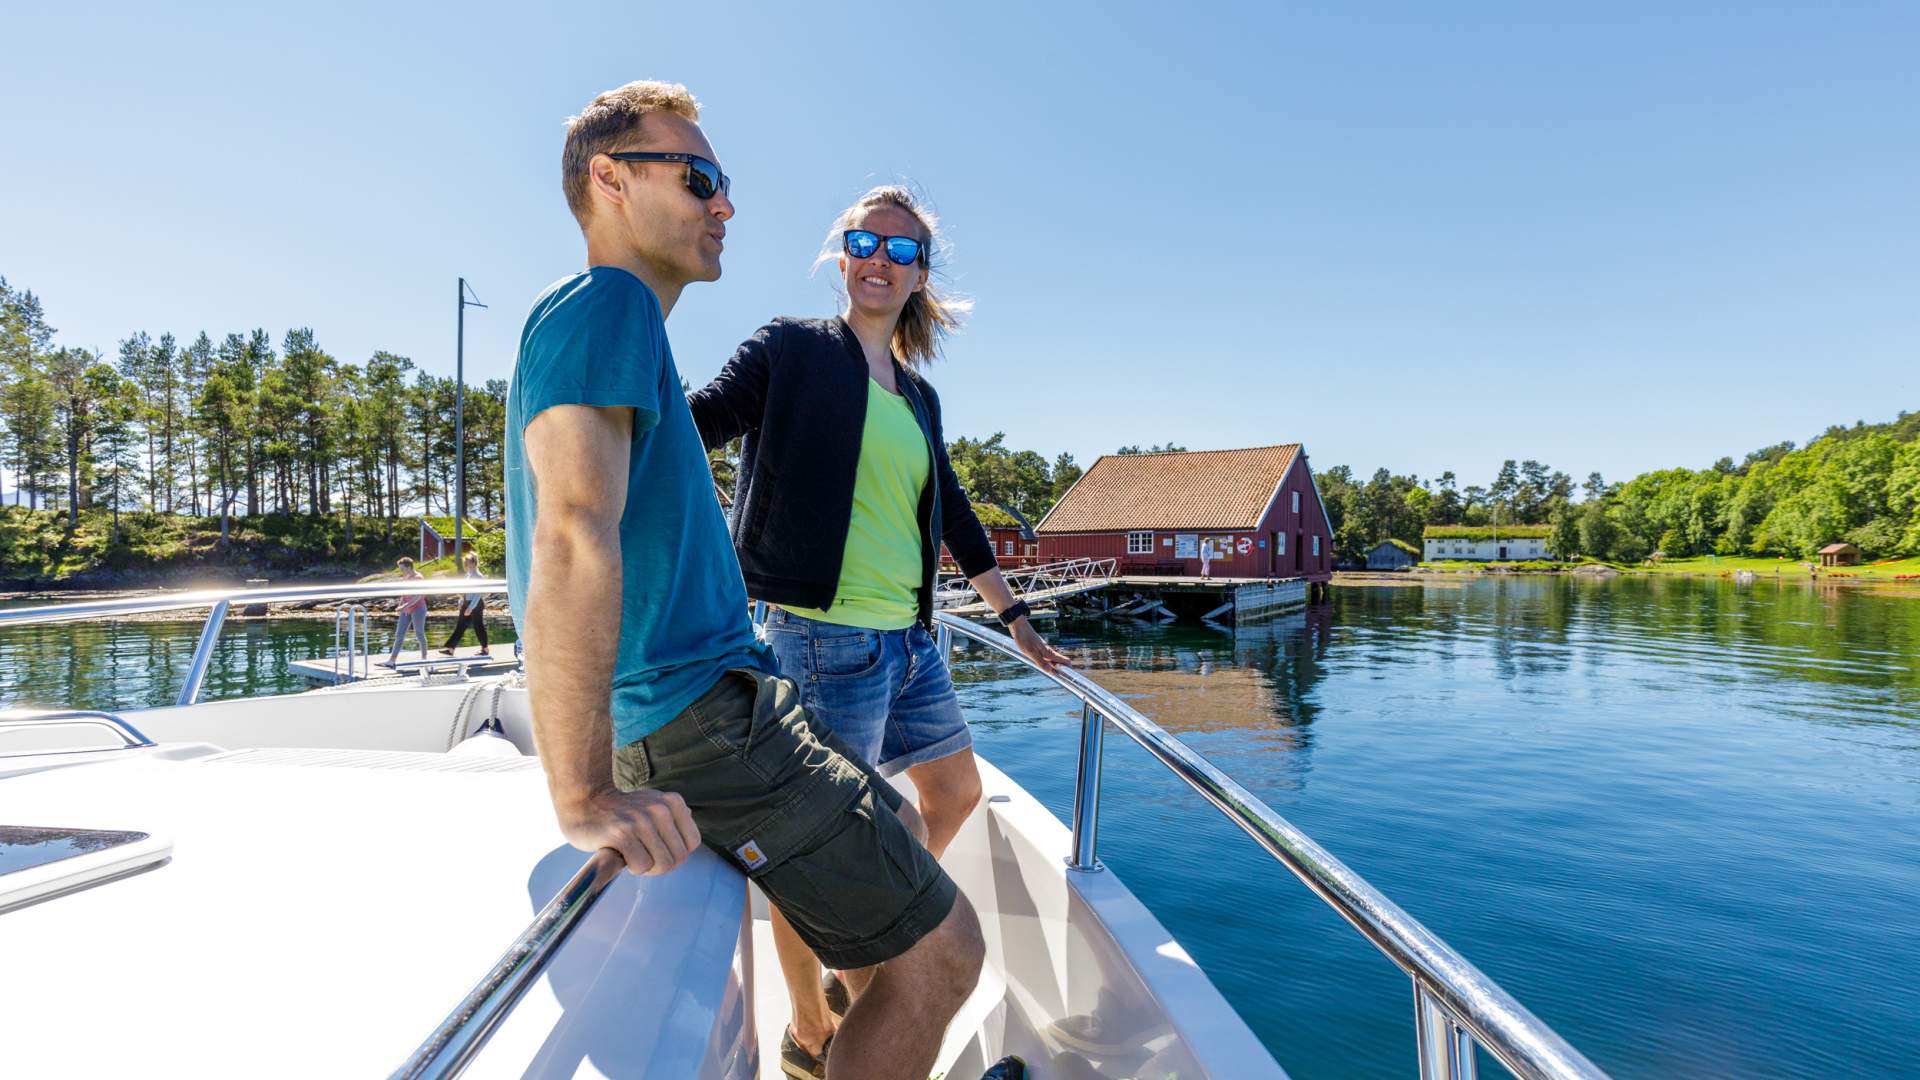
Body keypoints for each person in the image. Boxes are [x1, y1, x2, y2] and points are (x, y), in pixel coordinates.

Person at [504, 81, 987, 1080]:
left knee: (901, 816)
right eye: (700, 179)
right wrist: (583, 791)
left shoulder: (625, 328)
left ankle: (833, 1044)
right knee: (949, 957)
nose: (726, 205)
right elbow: (571, 538)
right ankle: (845, 1032)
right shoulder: (610, 304)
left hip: (734, 697)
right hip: (704, 717)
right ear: (609, 180)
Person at [690, 184, 1070, 1077]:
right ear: (842, 255)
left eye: (900, 250)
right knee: (814, 854)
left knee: (955, 795)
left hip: (908, 644)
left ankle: (849, 950)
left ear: (920, 276)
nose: (878, 259)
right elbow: (693, 421)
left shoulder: (917, 396)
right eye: (863, 241)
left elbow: (954, 516)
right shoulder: (789, 350)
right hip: (820, 642)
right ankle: (814, 1030)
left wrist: (1013, 615)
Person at [439, 550, 490, 656]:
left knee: (478, 626)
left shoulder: (478, 576)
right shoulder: (468, 575)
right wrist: (462, 601)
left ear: (474, 562)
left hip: (475, 604)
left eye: (468, 562)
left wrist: (470, 608)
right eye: (465, 562)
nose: (466, 564)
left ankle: (485, 649)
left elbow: (477, 594)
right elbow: (466, 591)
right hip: (467, 602)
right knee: (460, 626)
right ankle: (450, 649)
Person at [385, 556, 428, 666]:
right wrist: (400, 605)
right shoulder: (406, 577)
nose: (401, 571)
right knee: (399, 634)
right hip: (406, 609)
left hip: (418, 609)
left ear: (409, 567)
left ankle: (424, 659)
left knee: (419, 633)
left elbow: (418, 596)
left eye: (402, 568)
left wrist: (405, 606)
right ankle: (392, 660)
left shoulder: (418, 578)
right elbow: (404, 594)